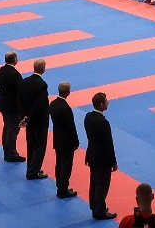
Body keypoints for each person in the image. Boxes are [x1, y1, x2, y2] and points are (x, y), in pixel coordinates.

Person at [85, 92, 118, 220]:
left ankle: (94, 206)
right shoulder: (103, 122)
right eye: (106, 101)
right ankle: (100, 211)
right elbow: (108, 145)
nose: (108, 103)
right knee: (102, 186)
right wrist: (113, 162)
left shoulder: (88, 117)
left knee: (94, 183)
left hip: (92, 156)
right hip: (102, 159)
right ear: (101, 104)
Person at [20, 59, 51, 180]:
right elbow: (39, 105)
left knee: (31, 144)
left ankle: (31, 168)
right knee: (39, 146)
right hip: (39, 121)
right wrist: (29, 117)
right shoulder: (42, 85)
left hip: (28, 120)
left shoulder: (25, 81)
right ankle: (33, 172)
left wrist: (24, 117)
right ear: (43, 68)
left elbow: (20, 100)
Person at [49, 81, 80, 198]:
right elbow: (71, 127)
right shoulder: (66, 108)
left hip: (57, 139)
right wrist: (75, 142)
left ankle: (60, 186)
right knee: (66, 166)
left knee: (59, 164)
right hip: (67, 141)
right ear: (68, 92)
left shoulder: (53, 104)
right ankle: (63, 189)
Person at [0, 51, 25, 163]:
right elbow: (21, 91)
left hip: (4, 104)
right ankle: (11, 153)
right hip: (12, 107)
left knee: (7, 128)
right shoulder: (15, 75)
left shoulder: (2, 70)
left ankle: (7, 150)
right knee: (12, 130)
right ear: (15, 59)